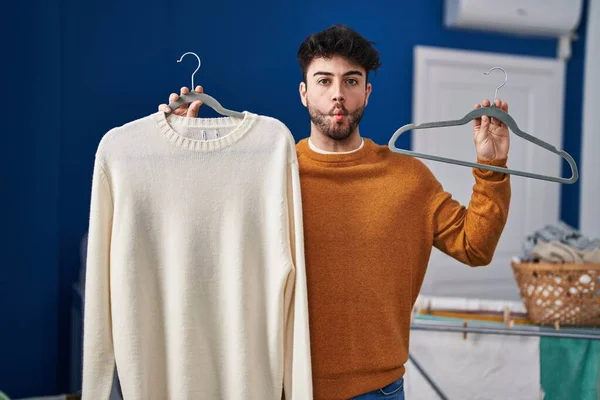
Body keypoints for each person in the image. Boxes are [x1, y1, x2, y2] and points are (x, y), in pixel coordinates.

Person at [158, 24, 511, 400]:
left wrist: (493, 165)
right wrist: (185, 156)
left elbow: (476, 247)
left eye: (351, 81)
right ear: (304, 92)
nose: (338, 95)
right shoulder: (269, 174)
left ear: (367, 92)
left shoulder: (408, 178)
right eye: (324, 81)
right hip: (283, 386)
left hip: (378, 390)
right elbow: (203, 250)